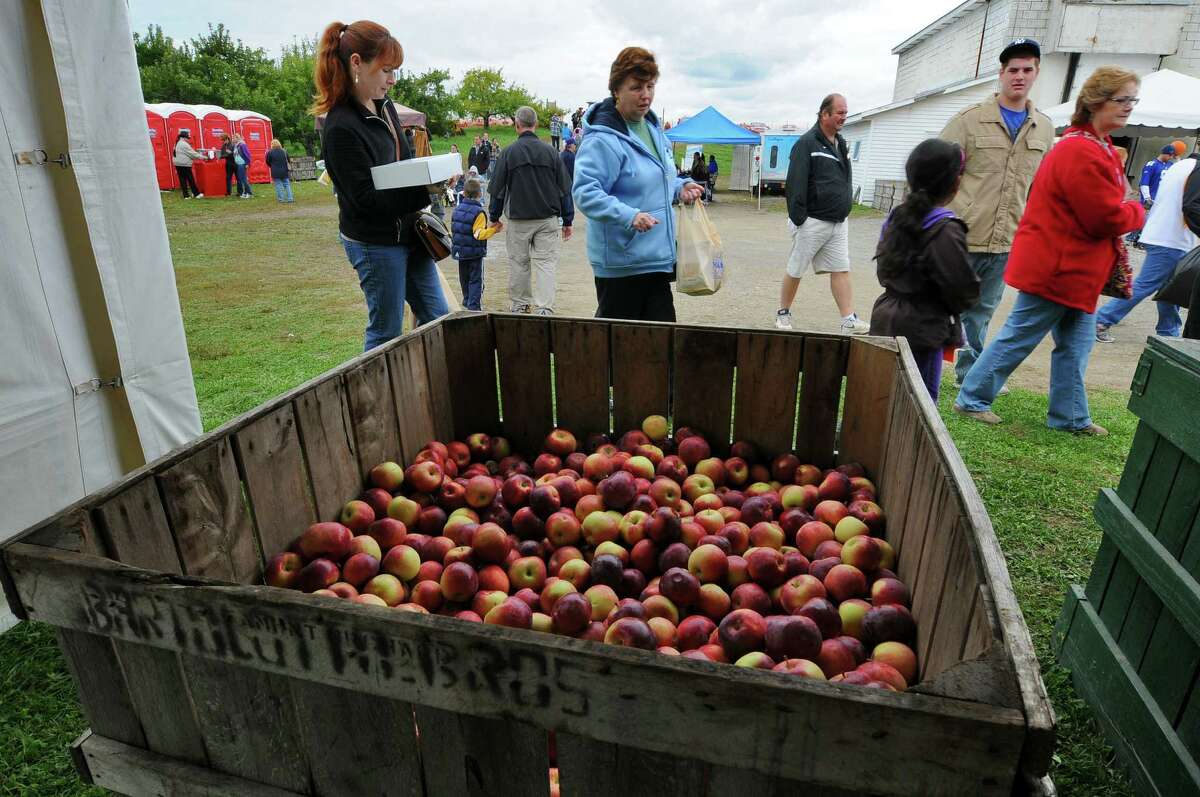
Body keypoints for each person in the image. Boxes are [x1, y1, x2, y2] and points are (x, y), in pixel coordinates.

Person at [954, 66, 1145, 435]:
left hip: (1074, 271)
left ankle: (1070, 417)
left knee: (1075, 345)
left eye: (1132, 100)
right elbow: (1103, 218)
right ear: (1096, 102)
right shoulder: (1080, 151)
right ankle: (972, 398)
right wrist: (1136, 211)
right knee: (1020, 335)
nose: (1128, 108)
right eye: (1122, 100)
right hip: (1059, 268)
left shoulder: (1094, 146)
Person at [315, 19, 449, 351]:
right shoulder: (340, 127)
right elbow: (365, 200)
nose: (392, 79)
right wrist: (424, 191)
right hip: (374, 242)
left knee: (438, 316)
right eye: (386, 69)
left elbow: (403, 160)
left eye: (395, 71)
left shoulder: (385, 106)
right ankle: (372, 401)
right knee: (386, 332)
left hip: (409, 233)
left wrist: (430, 174)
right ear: (357, 63)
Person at [940, 38, 1054, 388]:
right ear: (1001, 74)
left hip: (1005, 240)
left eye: (1027, 70)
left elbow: (1042, 188)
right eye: (1013, 70)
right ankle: (917, 365)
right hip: (961, 236)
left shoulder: (1045, 129)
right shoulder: (969, 121)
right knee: (939, 306)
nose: (1019, 76)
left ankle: (969, 375)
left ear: (1036, 73)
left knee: (982, 313)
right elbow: (936, 173)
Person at [573, 47, 704, 321]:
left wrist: (680, 186)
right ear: (616, 90)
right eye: (636, 88)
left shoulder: (653, 129)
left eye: (650, 86)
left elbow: (660, 176)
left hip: (656, 260)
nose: (646, 95)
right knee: (619, 351)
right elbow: (585, 192)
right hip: (622, 265)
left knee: (661, 347)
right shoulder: (602, 139)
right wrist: (629, 216)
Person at [869, 139, 980, 401]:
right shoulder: (945, 229)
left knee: (879, 394)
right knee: (918, 404)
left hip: (885, 319)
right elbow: (963, 290)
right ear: (955, 182)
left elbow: (884, 270)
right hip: (922, 330)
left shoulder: (897, 216)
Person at [776, 93, 869, 333]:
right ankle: (783, 314)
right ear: (824, 114)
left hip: (838, 221)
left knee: (841, 268)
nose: (843, 117)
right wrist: (800, 220)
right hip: (812, 221)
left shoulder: (841, 142)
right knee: (796, 268)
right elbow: (795, 183)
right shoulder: (806, 143)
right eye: (839, 112)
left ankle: (848, 318)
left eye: (845, 112)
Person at [1095, 142, 1197, 341]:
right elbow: (1193, 206)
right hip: (1172, 238)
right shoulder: (1193, 169)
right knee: (1146, 284)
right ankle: (1101, 320)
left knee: (1171, 287)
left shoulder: (1182, 166)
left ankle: (1169, 332)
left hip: (1164, 235)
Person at [486, 106, 574, 314]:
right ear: (535, 125)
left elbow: (497, 190)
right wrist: (568, 220)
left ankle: (520, 303)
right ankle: (544, 308)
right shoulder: (552, 153)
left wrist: (494, 217)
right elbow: (564, 190)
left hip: (519, 219)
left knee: (519, 262)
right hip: (547, 219)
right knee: (545, 263)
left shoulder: (508, 153)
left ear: (517, 125)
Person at [451, 177, 488, 311]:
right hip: (475, 252)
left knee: (464, 278)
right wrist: (494, 230)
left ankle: (466, 300)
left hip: (461, 252)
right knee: (476, 280)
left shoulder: (457, 209)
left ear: (464, 193)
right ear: (479, 194)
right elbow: (479, 234)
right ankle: (474, 307)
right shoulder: (479, 212)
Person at [172, 130, 205, 199]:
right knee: (191, 179)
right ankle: (196, 194)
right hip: (185, 164)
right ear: (184, 137)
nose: (188, 139)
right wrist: (204, 157)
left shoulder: (177, 142)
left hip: (178, 164)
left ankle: (186, 196)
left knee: (182, 180)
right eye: (188, 138)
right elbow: (193, 154)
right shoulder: (184, 144)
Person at [265, 138, 294, 203]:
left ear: (272, 144)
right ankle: (290, 198)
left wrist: (272, 166)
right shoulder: (284, 151)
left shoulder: (270, 152)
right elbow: (288, 160)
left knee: (278, 185)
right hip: (284, 170)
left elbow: (267, 162)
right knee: (287, 184)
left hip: (275, 171)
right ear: (279, 144)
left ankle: (281, 199)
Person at [232, 133, 254, 198]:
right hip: (239, 164)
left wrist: (247, 163)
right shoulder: (236, 145)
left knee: (243, 179)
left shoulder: (242, 145)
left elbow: (247, 154)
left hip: (243, 164)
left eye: (233, 138)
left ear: (237, 138)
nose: (232, 139)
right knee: (242, 178)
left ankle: (249, 193)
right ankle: (245, 192)